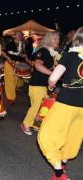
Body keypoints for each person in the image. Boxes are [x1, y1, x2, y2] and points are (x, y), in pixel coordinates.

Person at [38, 27, 83, 180]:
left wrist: (51, 86)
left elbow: (53, 78)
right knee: (73, 136)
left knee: (45, 136)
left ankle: (59, 173)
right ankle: (63, 163)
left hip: (66, 103)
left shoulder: (70, 55)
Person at [20, 32, 59, 135]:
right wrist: (52, 74)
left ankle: (36, 123)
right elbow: (37, 65)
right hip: (37, 85)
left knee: (42, 106)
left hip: (41, 85)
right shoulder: (43, 51)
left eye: (58, 39)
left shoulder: (50, 53)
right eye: (55, 39)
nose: (58, 41)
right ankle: (26, 123)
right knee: (38, 106)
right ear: (49, 40)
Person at [4, 31, 27, 103]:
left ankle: (11, 94)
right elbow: (7, 53)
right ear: (15, 36)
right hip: (10, 63)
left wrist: (24, 57)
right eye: (19, 35)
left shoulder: (22, 44)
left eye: (21, 35)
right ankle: (10, 97)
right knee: (9, 80)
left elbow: (23, 54)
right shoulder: (10, 44)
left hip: (18, 64)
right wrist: (18, 55)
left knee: (15, 80)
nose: (20, 36)